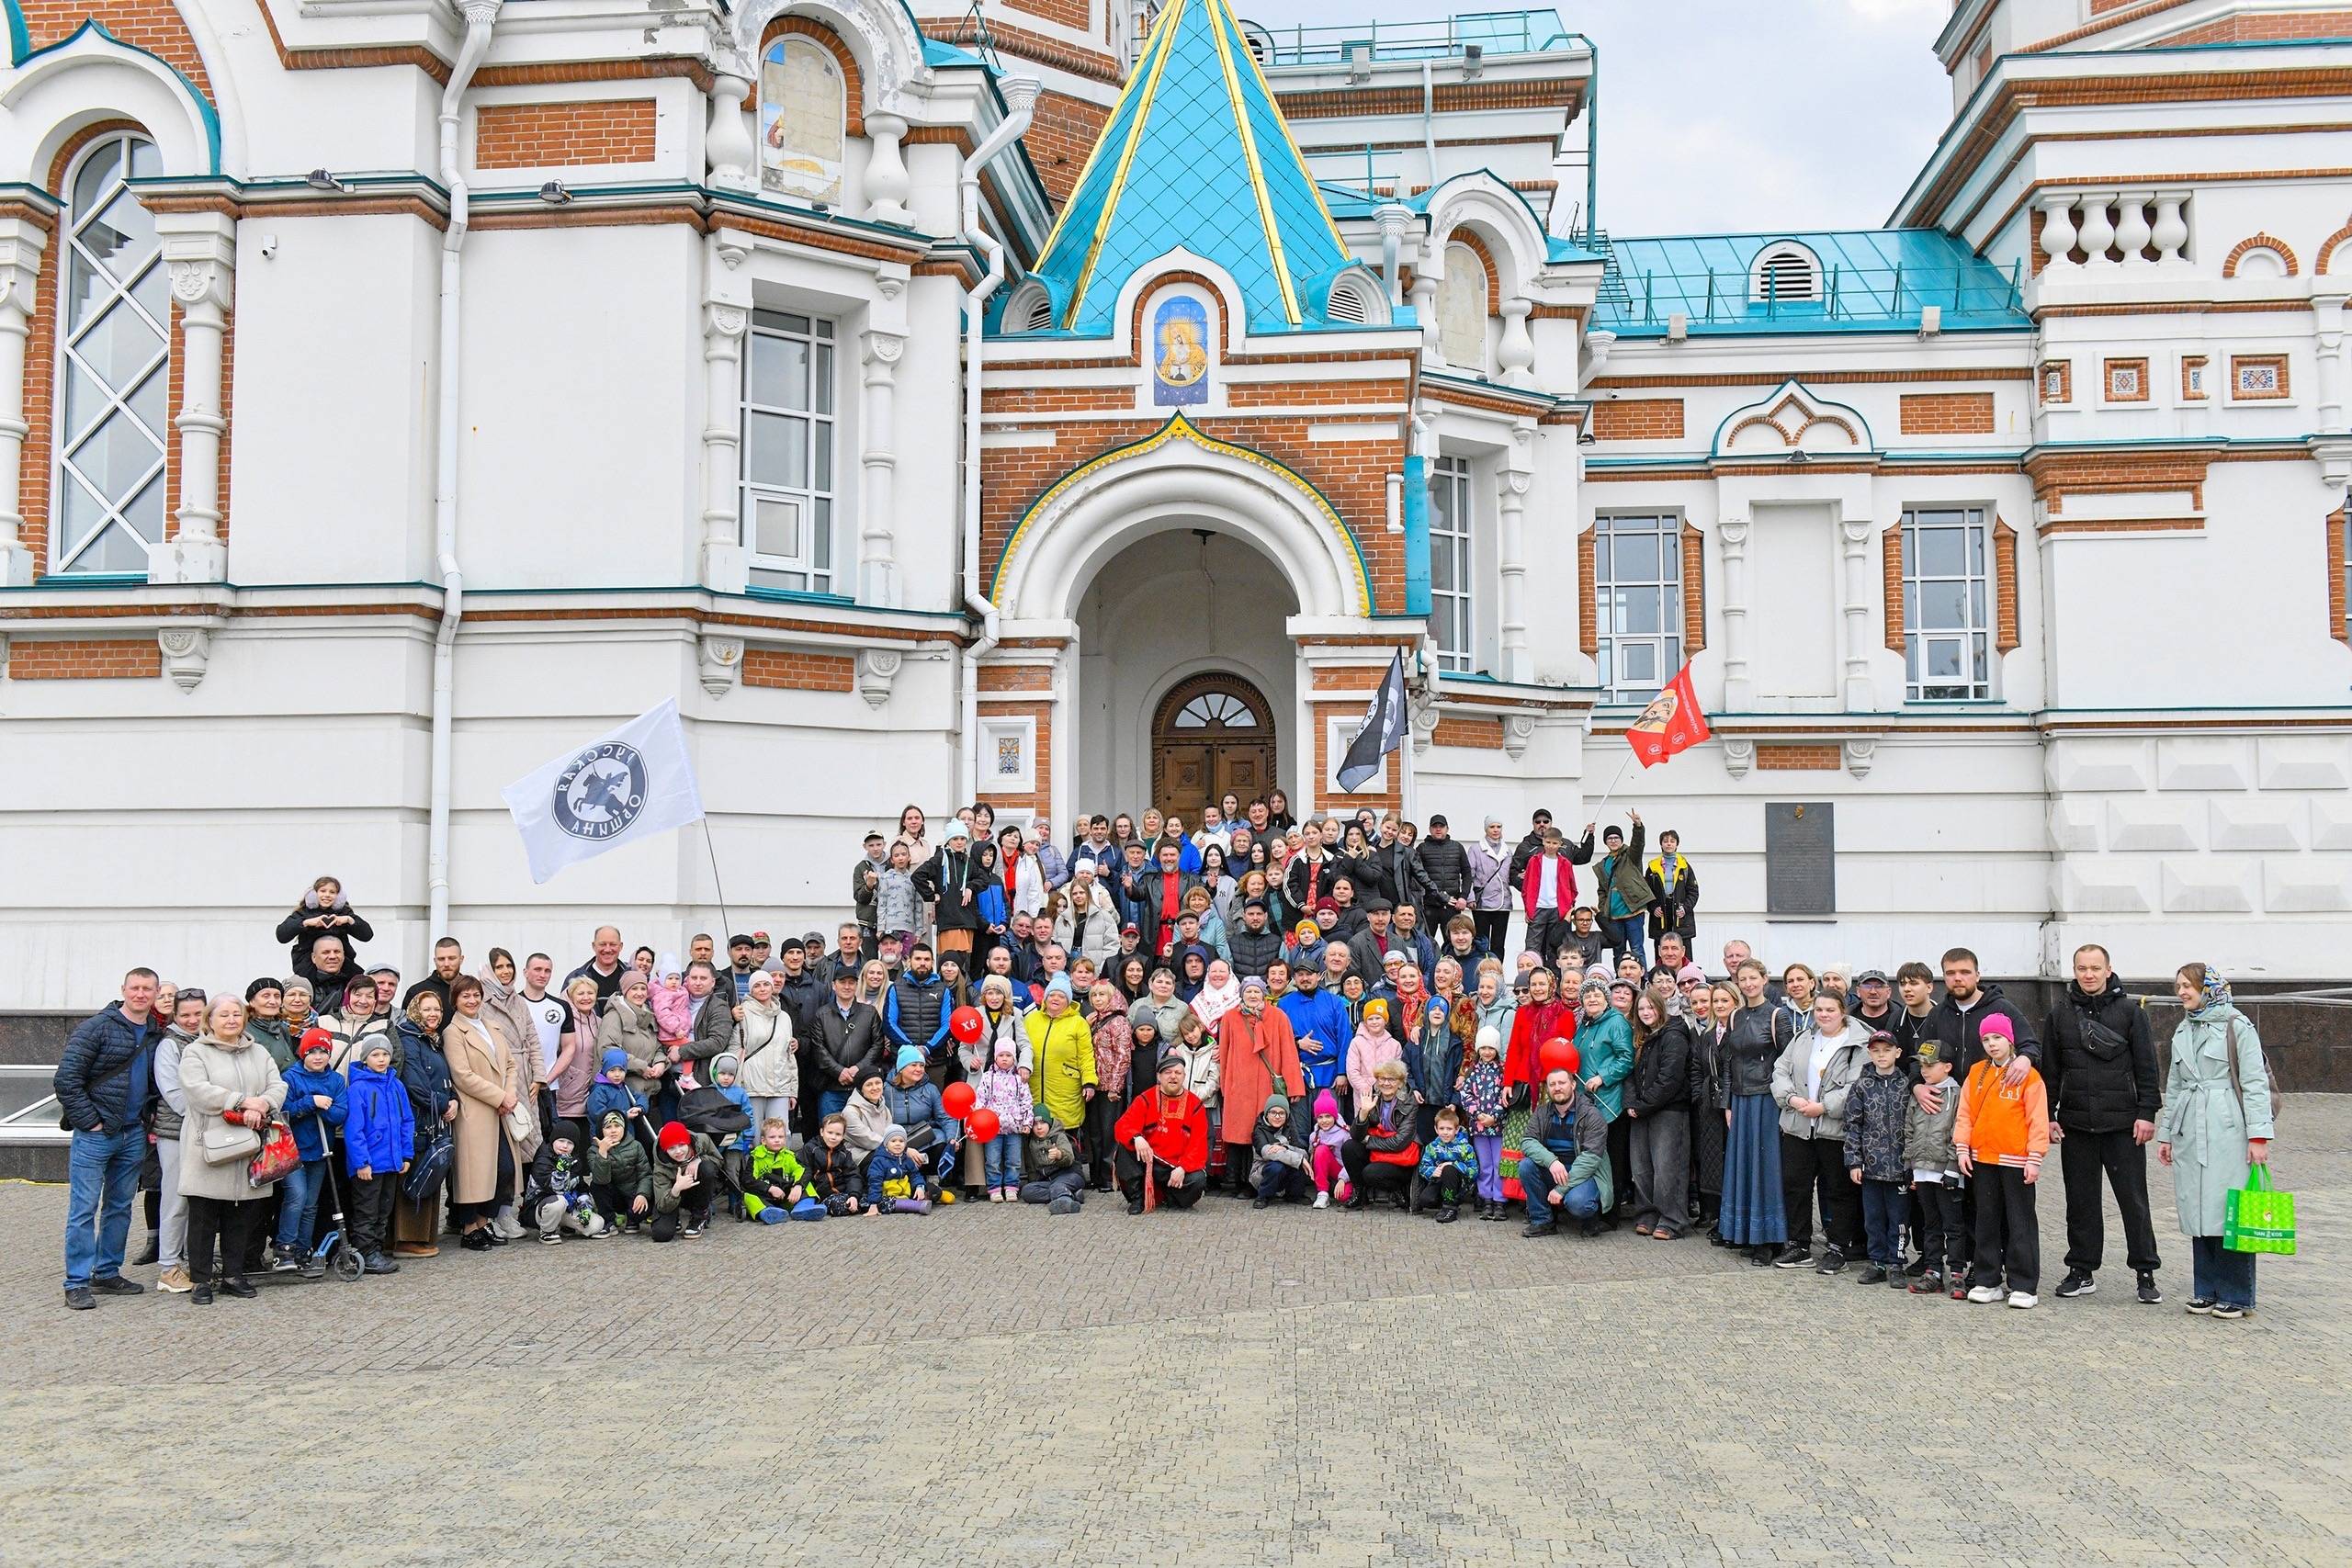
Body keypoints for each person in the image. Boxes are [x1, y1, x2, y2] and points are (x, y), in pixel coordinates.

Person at [2044, 943, 2165, 1305]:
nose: (2089, 974)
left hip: (2123, 1125)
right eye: (2082, 968)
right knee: (2080, 1204)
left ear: (2108, 970)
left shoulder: (2131, 1012)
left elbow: (2147, 1066)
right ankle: (2081, 1270)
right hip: (2077, 1124)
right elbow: (2050, 1071)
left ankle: (2145, 1272)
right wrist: (2048, 1116)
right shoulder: (2059, 1014)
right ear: (2075, 971)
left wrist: (2147, 1113)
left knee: (2134, 1202)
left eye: (2096, 968)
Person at [2156, 963, 2274, 1320]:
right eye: (2178, 986)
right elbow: (2175, 1084)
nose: (2182, 992)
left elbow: (2255, 1082)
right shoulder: (2183, 1028)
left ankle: (2237, 1295)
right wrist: (2166, 1135)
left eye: (2188, 986)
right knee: (2198, 1208)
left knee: (2229, 1209)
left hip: (2228, 1127)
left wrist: (2258, 1136)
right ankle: (2205, 1290)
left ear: (2208, 989)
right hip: (2190, 1127)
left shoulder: (2238, 1026)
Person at [56, 968, 164, 1310]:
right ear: (123, 990)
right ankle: (76, 1282)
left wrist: (147, 1117)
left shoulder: (154, 1032)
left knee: (119, 1207)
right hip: (96, 1135)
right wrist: (90, 1122)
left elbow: (154, 1082)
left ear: (156, 993)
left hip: (132, 1133)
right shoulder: (97, 1028)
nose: (141, 994)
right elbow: (67, 1079)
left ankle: (106, 1272)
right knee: (83, 1209)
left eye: (148, 989)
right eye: (135, 987)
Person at [175, 995, 288, 1305]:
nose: (231, 1020)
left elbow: (278, 1086)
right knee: (203, 1216)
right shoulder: (196, 1052)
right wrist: (241, 1101)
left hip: (249, 1146)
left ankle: (233, 1275)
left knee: (241, 1214)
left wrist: (263, 1103)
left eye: (236, 1014)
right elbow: (198, 1091)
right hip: (208, 1146)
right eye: (223, 1014)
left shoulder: (259, 1052)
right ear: (209, 1020)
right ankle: (200, 1280)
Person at [1770, 989, 1869, 1272]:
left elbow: (1856, 1086)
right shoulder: (1803, 1038)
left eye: (1830, 1010)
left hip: (1834, 1129)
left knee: (1838, 1189)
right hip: (1799, 1125)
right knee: (1795, 1186)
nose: (1824, 1015)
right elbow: (1780, 1071)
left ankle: (1838, 1248)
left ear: (1843, 1011)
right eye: (1819, 1010)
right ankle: (1799, 1246)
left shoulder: (1858, 1044)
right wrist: (1791, 1098)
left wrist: (1824, 1107)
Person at [1956, 1014, 2050, 1308]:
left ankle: (2024, 1284)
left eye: (1997, 1038)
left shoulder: (2029, 1076)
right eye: (1986, 1039)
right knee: (1986, 1221)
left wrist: (2035, 1157)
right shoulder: (1976, 1072)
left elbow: (2037, 1119)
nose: (1991, 1044)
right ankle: (1988, 1279)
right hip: (1982, 1158)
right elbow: (1965, 1112)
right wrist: (1962, 1148)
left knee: (2020, 1222)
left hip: (2016, 1160)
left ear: (2010, 1040)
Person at [1719, 960, 1794, 1265]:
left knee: (1766, 1167)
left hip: (1766, 1100)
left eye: (1753, 978)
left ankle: (1770, 1239)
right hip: (1740, 1099)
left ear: (1764, 979)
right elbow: (1729, 1063)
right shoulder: (1734, 1016)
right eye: (1743, 979)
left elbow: (1788, 1063)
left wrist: (1785, 1101)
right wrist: (1726, 1103)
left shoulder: (1778, 1015)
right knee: (1743, 1165)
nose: (1748, 984)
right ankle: (1747, 1232)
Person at [443, 976, 524, 1252]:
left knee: (502, 1169)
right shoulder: (453, 1032)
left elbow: (510, 1064)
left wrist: (508, 1095)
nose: (472, 1000)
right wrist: (500, 1096)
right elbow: (462, 1076)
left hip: (500, 1109)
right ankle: (469, 1227)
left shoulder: (491, 1026)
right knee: (474, 1173)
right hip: (475, 1111)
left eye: (476, 995)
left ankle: (483, 1221)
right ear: (455, 1000)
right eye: (465, 996)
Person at [268, 1030, 348, 1275]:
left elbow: (340, 1113)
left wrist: (323, 1108)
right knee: (297, 1197)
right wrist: (311, 1102)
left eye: (323, 1051)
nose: (318, 1056)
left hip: (320, 1150)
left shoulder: (335, 1080)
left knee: (311, 1203)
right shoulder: (291, 1078)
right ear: (303, 1053)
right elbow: (284, 1112)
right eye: (312, 1052)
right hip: (293, 1151)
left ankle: (304, 1250)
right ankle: (285, 1248)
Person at [1215, 973, 1301, 1194]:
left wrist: (1294, 1086)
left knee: (1261, 1133)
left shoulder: (1278, 1016)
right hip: (1239, 1083)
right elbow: (1224, 1052)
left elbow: (1289, 1052)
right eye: (1248, 991)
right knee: (1238, 1134)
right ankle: (1235, 1181)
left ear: (1264, 994)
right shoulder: (1230, 1017)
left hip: (1266, 1086)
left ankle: (1256, 1183)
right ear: (1242, 994)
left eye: (1257, 991)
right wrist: (1225, 1084)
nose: (1253, 995)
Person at [1842, 1030, 1913, 1287]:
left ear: (1897, 1052)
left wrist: (1912, 1164)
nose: (1882, 1055)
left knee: (1899, 1219)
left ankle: (1897, 1262)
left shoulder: (1907, 1085)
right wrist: (1854, 1161)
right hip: (1871, 1167)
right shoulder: (1862, 1086)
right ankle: (1877, 1262)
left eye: (1887, 1050)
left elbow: (1914, 1126)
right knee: (1873, 1218)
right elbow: (1852, 1125)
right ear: (1870, 1054)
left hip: (1900, 1168)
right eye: (1876, 1051)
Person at [1623, 990, 1695, 1241]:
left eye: (1650, 1008)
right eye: (1641, 1009)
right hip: (1641, 1111)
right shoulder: (1641, 1037)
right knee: (1641, 1167)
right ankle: (1647, 1214)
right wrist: (1631, 1103)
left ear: (1660, 1008)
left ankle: (1673, 1220)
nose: (1646, 1013)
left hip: (1669, 1111)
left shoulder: (1674, 1035)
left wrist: (1644, 1105)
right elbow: (1630, 1074)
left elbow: (1670, 1078)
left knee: (1667, 1168)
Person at [342, 1037, 412, 1274]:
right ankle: (364, 1251)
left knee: (384, 1209)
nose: (381, 1059)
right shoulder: (358, 1088)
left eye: (385, 1054)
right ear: (365, 1059)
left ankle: (376, 1249)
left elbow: (406, 1121)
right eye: (375, 1055)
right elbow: (354, 1130)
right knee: (367, 1210)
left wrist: (405, 1154)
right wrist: (361, 1162)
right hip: (369, 1163)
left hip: (391, 1161)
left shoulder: (396, 1086)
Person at [1903, 1039, 1965, 1298]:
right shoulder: (1918, 1094)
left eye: (1930, 1065)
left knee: (1954, 1225)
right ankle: (1933, 1271)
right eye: (1921, 1066)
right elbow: (1909, 1128)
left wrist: (1952, 1167)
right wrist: (1909, 1164)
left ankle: (1958, 1273)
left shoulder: (1958, 1094)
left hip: (1946, 1172)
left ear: (1947, 1067)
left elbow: (1959, 1130)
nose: (1924, 1070)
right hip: (1921, 1169)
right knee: (1930, 1224)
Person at [1114, 1051, 1210, 1213]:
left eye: (1178, 1073)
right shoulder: (1145, 1098)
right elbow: (1122, 1126)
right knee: (1125, 1148)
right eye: (1168, 1072)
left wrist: (1183, 1168)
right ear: (1159, 1076)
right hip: (1149, 1162)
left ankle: (1170, 1197)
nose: (1173, 1077)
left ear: (1184, 1076)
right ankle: (1139, 1199)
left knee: (1198, 1180)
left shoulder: (1195, 1105)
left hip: (1175, 1167)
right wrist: (1137, 1137)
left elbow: (1198, 1145)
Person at [1519, 1066, 1610, 1237]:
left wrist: (1561, 1189)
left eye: (1562, 1083)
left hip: (1585, 1173)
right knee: (1526, 1166)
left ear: (1573, 1085)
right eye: (1552, 1084)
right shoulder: (1542, 1112)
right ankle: (1542, 1220)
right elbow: (1528, 1141)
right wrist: (1551, 1162)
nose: (1557, 1088)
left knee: (1578, 1203)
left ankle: (1591, 1218)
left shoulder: (1591, 1115)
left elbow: (1590, 1159)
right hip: (1555, 1170)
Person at [1571, 976, 1634, 1218]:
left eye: (1597, 995)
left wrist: (1603, 1077)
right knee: (1592, 1157)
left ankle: (1611, 1215)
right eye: (1587, 996)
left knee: (1612, 1159)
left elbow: (1626, 1057)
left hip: (1610, 1102)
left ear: (1606, 999)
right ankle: (1593, 1207)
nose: (1592, 999)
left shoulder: (1616, 1022)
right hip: (1586, 1101)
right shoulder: (1584, 1025)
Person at [1342, 1058, 1419, 1211]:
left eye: (1392, 1079)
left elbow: (1399, 1142)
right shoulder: (1372, 1097)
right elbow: (1356, 1136)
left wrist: (1369, 1140)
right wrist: (1364, 1113)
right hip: (1379, 1151)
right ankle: (1359, 1193)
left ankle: (1398, 1189)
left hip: (1400, 1158)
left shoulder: (1410, 1102)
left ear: (1400, 1083)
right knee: (1349, 1147)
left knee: (1371, 1173)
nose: (1386, 1083)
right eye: (1382, 1078)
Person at [809, 967, 887, 1118]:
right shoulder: (822, 1014)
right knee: (831, 1129)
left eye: (851, 983)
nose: (847, 986)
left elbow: (878, 1044)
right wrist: (839, 1071)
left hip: (863, 1087)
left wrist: (859, 1068)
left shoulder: (869, 1013)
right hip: (831, 1087)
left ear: (857, 985)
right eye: (842, 982)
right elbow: (818, 1048)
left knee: (863, 1130)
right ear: (834, 985)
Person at [275, 875, 375, 983]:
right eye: (323, 891)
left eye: (332, 892)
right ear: (314, 894)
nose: (327, 895)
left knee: (362, 982)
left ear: (339, 897)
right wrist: (305, 922)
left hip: (340, 963)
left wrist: (350, 920)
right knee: (304, 985)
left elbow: (367, 935)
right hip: (308, 964)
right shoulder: (303, 912)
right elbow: (281, 935)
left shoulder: (344, 913)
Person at [1453, 1025, 1509, 1220]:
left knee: (1498, 1164)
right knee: (1485, 1164)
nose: (1487, 1052)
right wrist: (1477, 1114)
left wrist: (1494, 1116)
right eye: (1483, 1048)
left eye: (1491, 1048)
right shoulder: (1473, 1071)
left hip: (1497, 1126)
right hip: (1478, 1127)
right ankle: (1486, 1199)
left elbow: (1506, 1096)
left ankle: (1500, 1201)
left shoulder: (1503, 1070)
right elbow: (1466, 1095)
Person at [733, 970, 797, 1135]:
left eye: (766, 984)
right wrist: (736, 1086)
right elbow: (735, 1051)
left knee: (780, 1136)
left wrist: (792, 1091)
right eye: (757, 985)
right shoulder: (742, 1014)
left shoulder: (784, 1017)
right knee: (753, 1135)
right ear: (751, 990)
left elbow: (789, 1056)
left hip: (780, 1086)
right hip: (751, 1085)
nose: (762, 989)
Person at [1589, 814, 1653, 969]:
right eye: (1609, 838)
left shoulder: (1630, 855)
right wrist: (1603, 909)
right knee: (1618, 950)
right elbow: (1602, 890)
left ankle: (1642, 977)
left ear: (1621, 840)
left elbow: (1638, 844)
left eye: (1616, 837)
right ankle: (1619, 979)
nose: (1613, 840)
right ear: (1605, 842)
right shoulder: (1602, 864)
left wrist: (1638, 826)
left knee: (1637, 948)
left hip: (1633, 911)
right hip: (1614, 915)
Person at [526, 1121, 605, 1241]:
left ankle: (566, 1226)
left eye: (570, 1143)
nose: (565, 1146)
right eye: (561, 1141)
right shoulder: (542, 1160)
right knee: (559, 1202)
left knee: (597, 1224)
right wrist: (561, 1171)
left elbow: (581, 1188)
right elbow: (557, 1190)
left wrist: (585, 1208)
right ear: (553, 1141)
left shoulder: (575, 1162)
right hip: (541, 1208)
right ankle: (547, 1232)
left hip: (567, 1207)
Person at [1518, 829, 1583, 966]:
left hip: (1559, 910)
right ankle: (1531, 975)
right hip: (1537, 908)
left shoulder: (1565, 863)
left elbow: (1572, 887)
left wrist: (1569, 907)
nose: (1551, 846)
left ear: (1560, 844)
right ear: (1543, 841)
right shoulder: (1534, 861)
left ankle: (1556, 974)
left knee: (1558, 946)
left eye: (1554, 843)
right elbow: (1526, 887)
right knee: (1532, 946)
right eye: (1548, 842)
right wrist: (1528, 909)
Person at [650, 1120, 723, 1238]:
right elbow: (661, 1205)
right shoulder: (660, 1166)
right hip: (673, 1195)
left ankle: (699, 1217)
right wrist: (676, 1189)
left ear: (688, 1142)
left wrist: (699, 1160)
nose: (678, 1151)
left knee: (707, 1169)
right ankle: (674, 1218)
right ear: (665, 1150)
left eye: (681, 1145)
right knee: (661, 1234)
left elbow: (719, 1160)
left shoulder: (702, 1139)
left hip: (695, 1190)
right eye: (671, 1148)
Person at [590, 1109, 654, 1232]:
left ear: (624, 1128)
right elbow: (601, 1180)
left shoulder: (636, 1146)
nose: (613, 1130)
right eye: (608, 1127)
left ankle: (632, 1219)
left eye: (617, 1126)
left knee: (640, 1211)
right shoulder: (593, 1151)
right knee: (596, 1185)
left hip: (633, 1192)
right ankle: (609, 1221)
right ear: (601, 1130)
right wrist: (602, 1153)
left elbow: (646, 1174)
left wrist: (642, 1194)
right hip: (613, 1195)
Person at [1413, 1105, 1476, 1222]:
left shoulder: (1465, 1147)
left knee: (1449, 1169)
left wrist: (1453, 1165)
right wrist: (1433, 1171)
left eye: (1449, 1129)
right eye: (1441, 1129)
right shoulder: (1432, 1147)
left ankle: (1450, 1208)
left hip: (1460, 1184)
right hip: (1439, 1181)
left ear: (1456, 1129)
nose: (1445, 1132)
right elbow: (1423, 1167)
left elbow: (1474, 1171)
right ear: (1436, 1129)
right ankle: (1444, 1203)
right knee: (1426, 1200)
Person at [741, 1118, 811, 1224]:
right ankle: (768, 1212)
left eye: (781, 1137)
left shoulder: (789, 1156)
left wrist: (798, 1186)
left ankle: (804, 1208)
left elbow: (804, 1171)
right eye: (772, 1137)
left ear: (785, 1139)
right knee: (747, 1196)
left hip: (786, 1196)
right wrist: (769, 1188)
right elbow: (747, 1180)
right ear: (763, 1140)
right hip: (765, 1196)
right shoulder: (756, 1157)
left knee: (807, 1184)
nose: (777, 1140)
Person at [1248, 1092, 1311, 1207]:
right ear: (1267, 1114)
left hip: (1285, 1171)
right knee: (1277, 1166)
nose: (1277, 1117)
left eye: (1282, 1113)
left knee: (1298, 1165)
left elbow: (1303, 1153)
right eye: (1273, 1112)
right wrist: (1298, 1158)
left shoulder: (1289, 1127)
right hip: (1262, 1172)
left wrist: (1286, 1147)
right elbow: (1267, 1152)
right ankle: (1263, 1196)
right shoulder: (1259, 1131)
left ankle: (1294, 1195)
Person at [1019, 1110, 1086, 1213]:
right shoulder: (1030, 1142)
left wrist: (1059, 1155)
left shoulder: (1059, 1136)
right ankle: (1071, 1195)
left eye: (1043, 1123)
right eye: (1035, 1124)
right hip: (1049, 1180)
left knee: (1057, 1186)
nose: (1039, 1127)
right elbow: (1031, 1169)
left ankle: (1066, 1202)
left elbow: (1069, 1158)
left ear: (1049, 1123)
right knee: (1027, 1191)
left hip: (1070, 1175)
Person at [1465, 817, 1514, 959]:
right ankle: (1481, 968)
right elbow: (1469, 875)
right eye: (1492, 827)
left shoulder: (1507, 851)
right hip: (1482, 903)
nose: (1495, 830)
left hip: (1503, 903)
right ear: (1486, 829)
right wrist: (1470, 897)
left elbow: (1510, 875)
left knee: (1499, 943)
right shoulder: (1475, 849)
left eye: (1498, 826)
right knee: (1482, 942)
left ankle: (1497, 969)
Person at [802, 1113, 863, 1216]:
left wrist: (853, 1196)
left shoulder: (844, 1154)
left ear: (843, 1136)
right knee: (840, 1206)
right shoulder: (811, 1149)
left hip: (843, 1192)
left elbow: (852, 1175)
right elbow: (804, 1171)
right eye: (830, 1133)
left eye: (838, 1134)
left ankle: (856, 1204)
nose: (833, 1137)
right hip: (822, 1195)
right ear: (822, 1132)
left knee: (870, 1200)